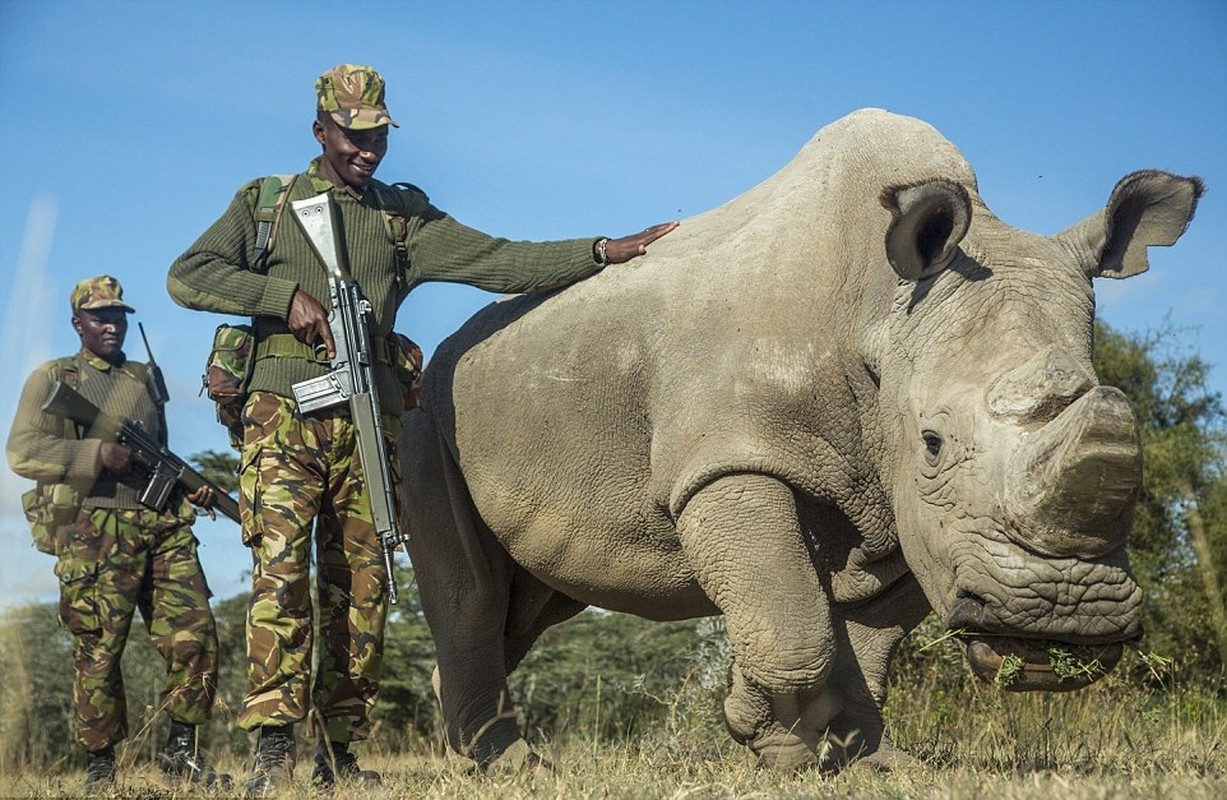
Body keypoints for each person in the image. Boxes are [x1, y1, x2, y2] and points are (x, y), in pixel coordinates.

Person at [166, 63, 677, 795]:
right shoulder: (267, 205)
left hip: (371, 421)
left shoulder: (401, 217)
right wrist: (284, 297)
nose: (365, 149)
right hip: (282, 417)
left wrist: (598, 251)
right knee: (279, 577)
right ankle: (272, 745)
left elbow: (498, 260)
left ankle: (339, 750)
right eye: (351, 135)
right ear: (320, 131)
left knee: (364, 587)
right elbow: (188, 275)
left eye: (375, 136)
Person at [6, 275, 229, 793]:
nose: (112, 324)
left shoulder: (145, 376)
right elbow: (21, 451)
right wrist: (93, 454)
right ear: (77, 323)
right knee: (99, 650)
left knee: (195, 637)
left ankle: (181, 755)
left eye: (120, 315)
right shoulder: (54, 377)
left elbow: (159, 453)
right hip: (94, 529)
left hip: (163, 526)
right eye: (100, 315)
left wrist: (188, 490)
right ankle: (101, 764)